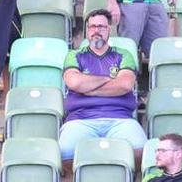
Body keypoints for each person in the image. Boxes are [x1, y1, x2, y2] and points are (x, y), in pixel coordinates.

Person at [57, 9, 146, 168]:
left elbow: (125, 85)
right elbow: (75, 83)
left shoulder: (123, 55)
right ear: (87, 30)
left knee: (141, 153)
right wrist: (109, 79)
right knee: (65, 154)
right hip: (81, 119)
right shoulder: (74, 55)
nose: (96, 31)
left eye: (101, 27)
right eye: (92, 27)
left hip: (119, 118)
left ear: (109, 30)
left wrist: (87, 87)